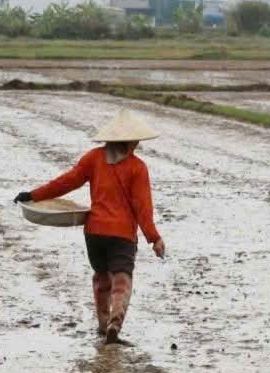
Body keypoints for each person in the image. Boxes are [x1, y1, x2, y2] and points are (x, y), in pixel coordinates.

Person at [15, 110, 166, 344]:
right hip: (122, 234)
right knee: (121, 279)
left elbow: (66, 182)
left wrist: (33, 195)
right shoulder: (137, 168)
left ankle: (103, 325)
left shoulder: (93, 158)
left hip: (94, 232)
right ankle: (115, 322)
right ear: (132, 141)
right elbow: (143, 208)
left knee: (101, 278)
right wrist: (154, 238)